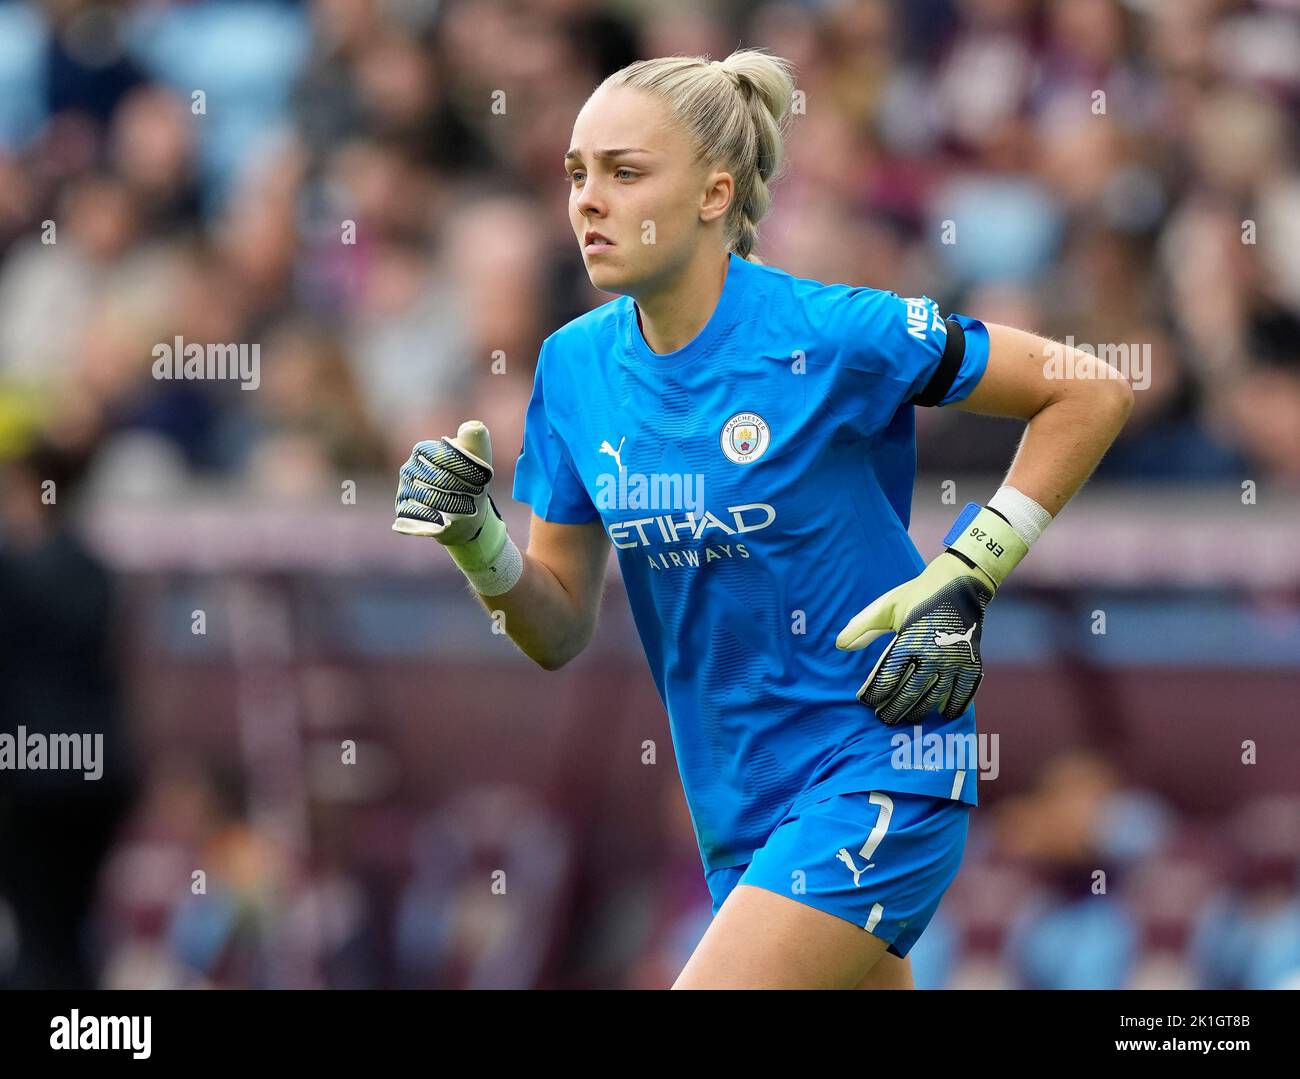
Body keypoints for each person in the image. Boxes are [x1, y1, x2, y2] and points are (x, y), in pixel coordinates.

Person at [392, 49, 1133, 989]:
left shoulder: (834, 334)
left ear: (714, 194)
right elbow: (558, 627)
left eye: (625, 173)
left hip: (881, 763)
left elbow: (1087, 389)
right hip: (738, 809)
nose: (587, 200)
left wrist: (970, 569)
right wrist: (477, 538)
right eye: (577, 173)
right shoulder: (573, 368)